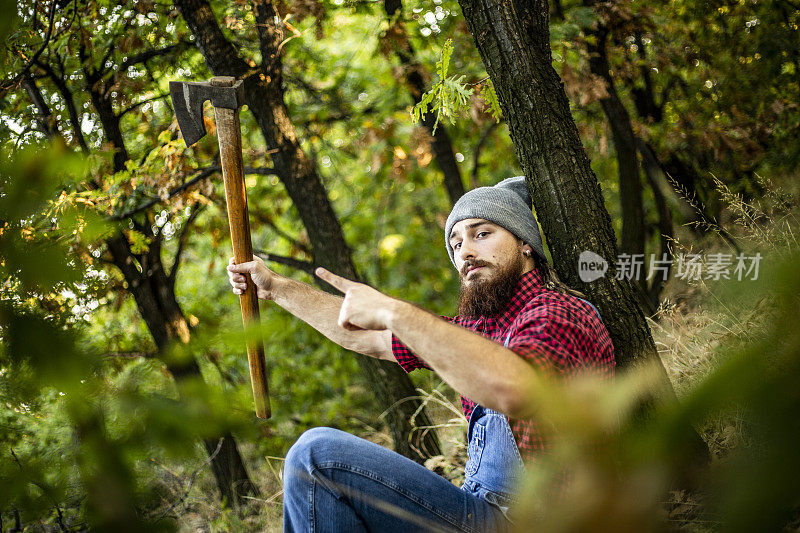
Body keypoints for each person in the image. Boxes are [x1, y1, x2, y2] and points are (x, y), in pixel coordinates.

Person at [226, 176, 615, 532]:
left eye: (482, 234)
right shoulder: (479, 330)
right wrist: (275, 287)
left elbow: (515, 389)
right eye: (457, 243)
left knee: (316, 458)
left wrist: (394, 311)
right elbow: (366, 337)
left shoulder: (558, 313)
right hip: (479, 512)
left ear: (525, 243)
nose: (466, 252)